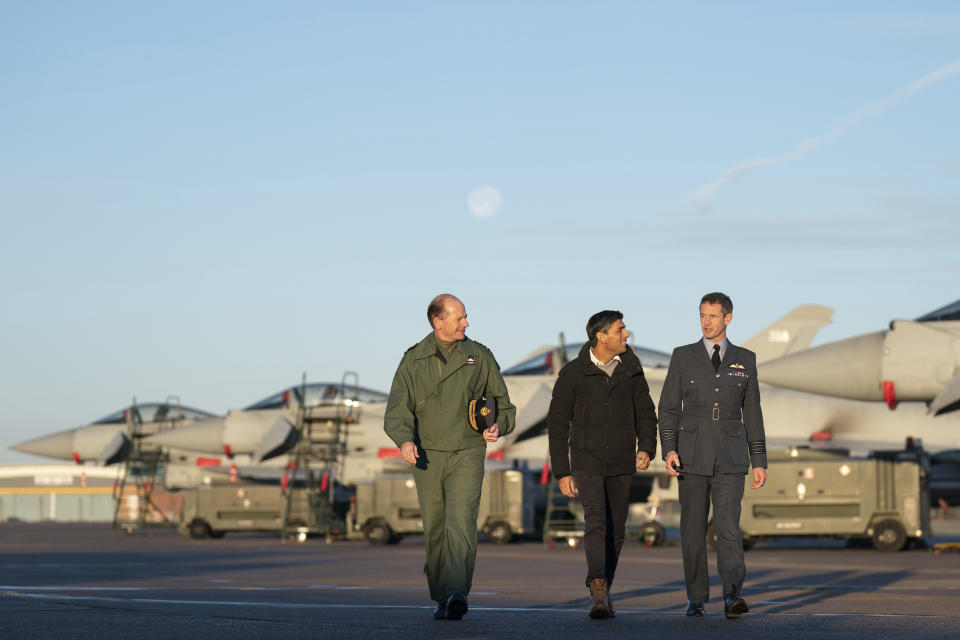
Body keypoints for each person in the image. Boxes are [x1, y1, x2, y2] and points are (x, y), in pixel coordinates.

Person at [383, 293, 516, 621]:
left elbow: (504, 405)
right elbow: (398, 408)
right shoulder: (413, 360)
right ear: (437, 321)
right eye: (459, 318)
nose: (466, 323)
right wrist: (403, 439)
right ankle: (442, 594)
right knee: (436, 525)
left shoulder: (479, 356)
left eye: (465, 317)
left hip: (467, 450)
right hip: (427, 454)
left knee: (461, 520)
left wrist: (498, 424)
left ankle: (457, 591)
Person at [658, 292, 767, 619]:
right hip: (690, 456)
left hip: (731, 457)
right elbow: (667, 408)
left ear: (728, 318)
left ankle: (733, 596)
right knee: (692, 530)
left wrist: (758, 459)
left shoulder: (745, 358)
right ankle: (697, 597)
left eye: (713, 316)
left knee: (729, 529)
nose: (706, 322)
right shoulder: (683, 356)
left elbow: (753, 412)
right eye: (702, 315)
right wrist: (669, 447)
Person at [546, 310, 658, 619]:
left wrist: (646, 447)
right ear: (601, 336)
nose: (627, 335)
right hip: (587, 460)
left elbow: (646, 413)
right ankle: (597, 586)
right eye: (620, 330)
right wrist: (562, 470)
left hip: (622, 461)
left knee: (617, 530)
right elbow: (557, 424)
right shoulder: (572, 373)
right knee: (596, 521)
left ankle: (604, 586)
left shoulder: (632, 369)